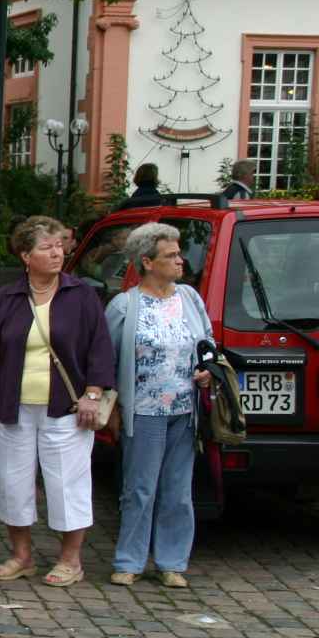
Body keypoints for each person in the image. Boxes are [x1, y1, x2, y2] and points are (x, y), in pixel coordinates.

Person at [0, 216, 114, 588]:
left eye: (59, 246)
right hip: (16, 408)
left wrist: (94, 393)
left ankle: (71, 560)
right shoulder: (8, 297)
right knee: (14, 482)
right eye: (46, 247)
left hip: (67, 408)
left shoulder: (81, 294)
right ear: (24, 255)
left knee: (67, 483)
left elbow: (100, 349)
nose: (57, 253)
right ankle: (22, 556)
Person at [105, 222, 214, 589]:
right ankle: (130, 560)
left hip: (185, 411)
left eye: (179, 252)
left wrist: (207, 371)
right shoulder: (125, 305)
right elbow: (107, 360)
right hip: (144, 412)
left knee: (179, 491)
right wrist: (115, 407)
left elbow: (207, 344)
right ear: (147, 262)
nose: (181, 260)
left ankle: (171, 561)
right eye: (171, 255)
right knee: (139, 488)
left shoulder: (190, 298)